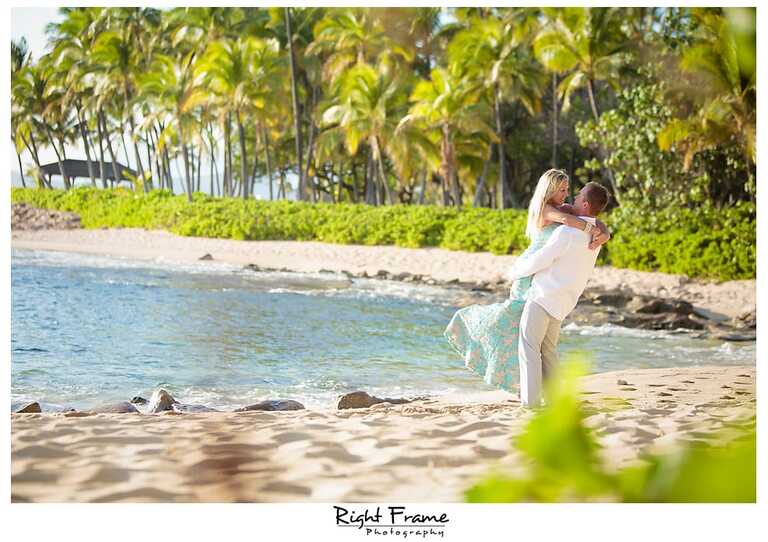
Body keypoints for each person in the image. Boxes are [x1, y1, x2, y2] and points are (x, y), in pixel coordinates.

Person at [444, 169, 611, 392]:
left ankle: (527, 389)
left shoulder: (566, 208)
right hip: (530, 274)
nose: (567, 194)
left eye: (568, 190)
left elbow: (590, 215)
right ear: (550, 189)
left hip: (541, 274)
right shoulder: (546, 209)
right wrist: (592, 229)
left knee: (527, 337)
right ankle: (483, 349)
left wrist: (605, 231)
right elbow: (568, 220)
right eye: (562, 190)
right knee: (514, 328)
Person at [508, 181, 611, 407]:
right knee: (548, 351)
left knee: (529, 348)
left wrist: (514, 272)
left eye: (578, 195)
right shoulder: (596, 238)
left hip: (543, 297)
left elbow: (540, 260)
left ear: (585, 204)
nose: (572, 197)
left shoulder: (567, 232)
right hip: (563, 303)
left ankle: (530, 403)